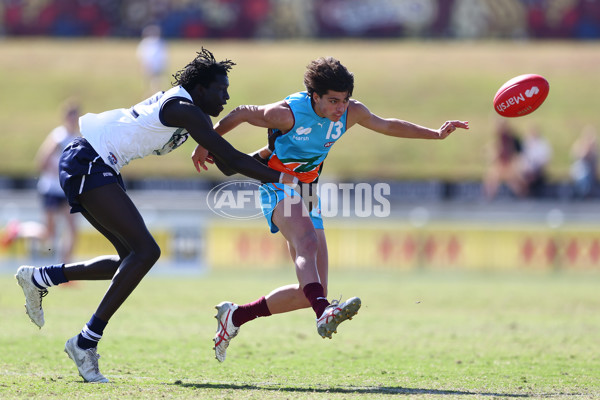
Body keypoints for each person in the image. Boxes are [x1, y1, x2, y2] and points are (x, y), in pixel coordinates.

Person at [15, 48, 298, 383]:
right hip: (89, 161)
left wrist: (270, 159)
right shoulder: (183, 108)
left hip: (95, 164)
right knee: (146, 251)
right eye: (221, 89)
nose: (227, 96)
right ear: (201, 89)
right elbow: (232, 159)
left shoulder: (195, 115)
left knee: (130, 260)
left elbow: (225, 162)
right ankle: (85, 342)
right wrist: (285, 178)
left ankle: (42, 278)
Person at [191, 56, 469, 362]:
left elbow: (388, 125)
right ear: (315, 97)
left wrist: (436, 133)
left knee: (310, 290)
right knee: (307, 246)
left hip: (308, 190)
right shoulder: (286, 114)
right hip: (276, 183)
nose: (341, 108)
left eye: (345, 100)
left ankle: (235, 316)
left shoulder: (352, 112)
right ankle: (324, 313)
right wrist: (208, 140)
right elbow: (242, 112)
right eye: (333, 101)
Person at [2, 100, 81, 261]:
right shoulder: (59, 137)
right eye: (71, 117)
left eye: (75, 117)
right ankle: (18, 230)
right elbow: (42, 161)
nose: (73, 120)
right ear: (65, 117)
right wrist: (60, 172)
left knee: (72, 229)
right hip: (51, 189)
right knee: (49, 234)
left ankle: (67, 271)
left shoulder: (76, 138)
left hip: (66, 190)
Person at [483, 119, 526, 200]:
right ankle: (488, 198)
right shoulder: (500, 138)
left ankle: (524, 198)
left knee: (516, 183)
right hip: (501, 164)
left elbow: (510, 153)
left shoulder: (510, 139)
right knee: (491, 180)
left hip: (509, 164)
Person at [521, 125, 552, 198]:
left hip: (539, 168)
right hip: (528, 168)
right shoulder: (527, 143)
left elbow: (545, 159)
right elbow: (524, 157)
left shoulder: (543, 144)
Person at [136, 24, 168, 95]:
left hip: (157, 65)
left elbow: (163, 55)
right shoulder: (145, 42)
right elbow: (141, 54)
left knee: (157, 80)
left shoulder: (160, 42)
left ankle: (157, 92)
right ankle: (149, 93)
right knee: (149, 80)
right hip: (149, 64)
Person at [570, 124, 598, 198]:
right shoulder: (579, 145)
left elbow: (594, 165)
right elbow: (580, 157)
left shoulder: (594, 151)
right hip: (579, 173)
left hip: (590, 174)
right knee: (584, 180)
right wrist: (586, 148)